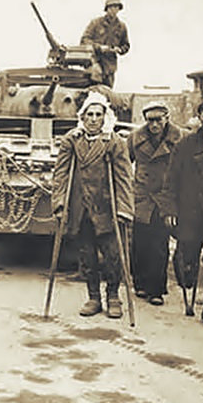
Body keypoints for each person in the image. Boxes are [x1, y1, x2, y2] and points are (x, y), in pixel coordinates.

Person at [52, 92, 133, 319]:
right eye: (90, 114)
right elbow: (60, 175)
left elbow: (124, 177)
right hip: (80, 208)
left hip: (107, 208)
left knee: (112, 255)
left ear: (105, 117)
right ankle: (94, 298)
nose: (94, 119)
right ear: (83, 116)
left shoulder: (114, 141)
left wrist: (124, 208)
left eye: (98, 114)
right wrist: (59, 203)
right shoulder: (72, 139)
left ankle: (114, 297)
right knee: (86, 255)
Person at [161, 96, 203, 330]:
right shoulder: (185, 146)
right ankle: (187, 269)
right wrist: (169, 209)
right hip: (190, 210)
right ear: (200, 119)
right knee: (188, 257)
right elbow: (171, 179)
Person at [126, 101, 183, 305]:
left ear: (167, 118)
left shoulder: (179, 138)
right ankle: (140, 284)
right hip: (141, 197)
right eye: (150, 120)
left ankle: (156, 290)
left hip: (164, 198)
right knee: (139, 243)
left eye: (158, 119)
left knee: (159, 244)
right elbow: (124, 163)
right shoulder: (135, 138)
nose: (154, 124)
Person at [80, 0, 130, 88]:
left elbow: (126, 45)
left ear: (119, 9)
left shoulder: (121, 27)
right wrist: (99, 47)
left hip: (110, 66)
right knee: (92, 90)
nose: (113, 10)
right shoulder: (96, 23)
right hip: (94, 62)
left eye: (116, 7)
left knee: (107, 93)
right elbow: (84, 40)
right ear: (107, 9)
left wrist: (119, 49)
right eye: (111, 7)